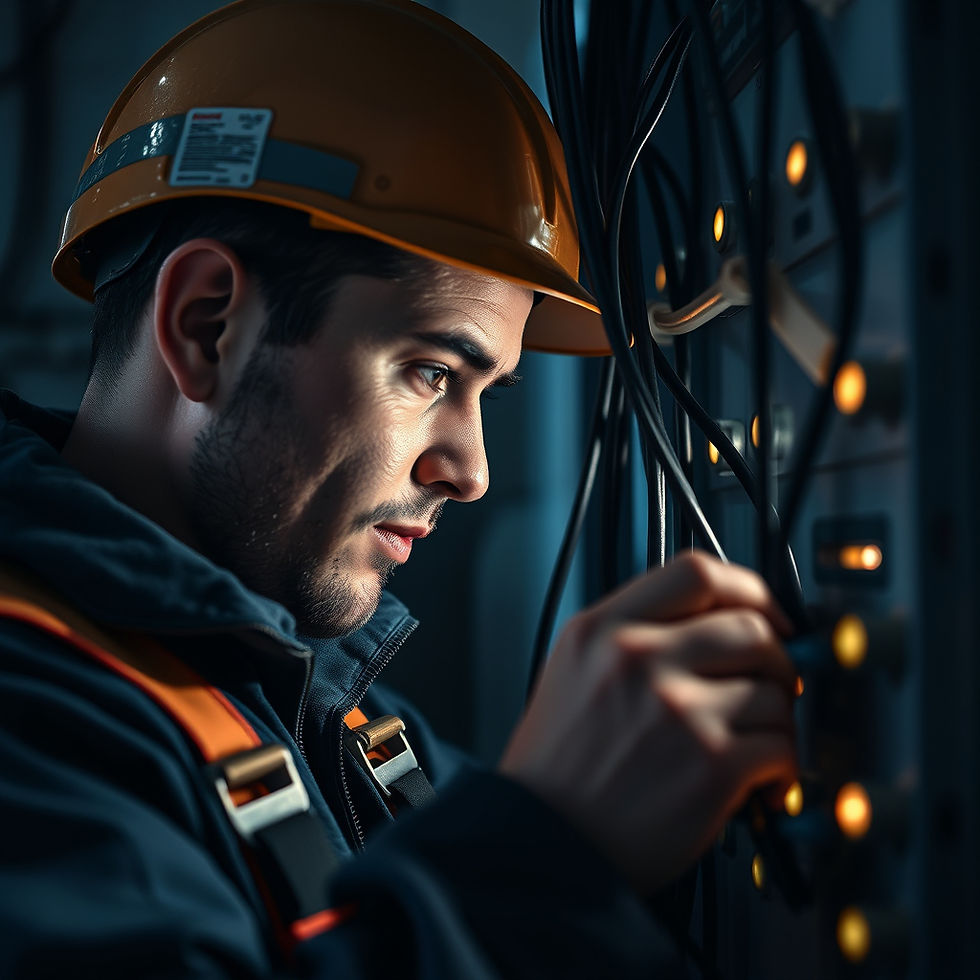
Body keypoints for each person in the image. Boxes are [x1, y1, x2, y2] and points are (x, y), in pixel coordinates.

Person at [0, 1, 797, 976]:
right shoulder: (34, 720)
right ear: (208, 324)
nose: (468, 470)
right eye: (429, 372)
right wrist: (539, 853)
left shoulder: (337, 711)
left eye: (484, 394)